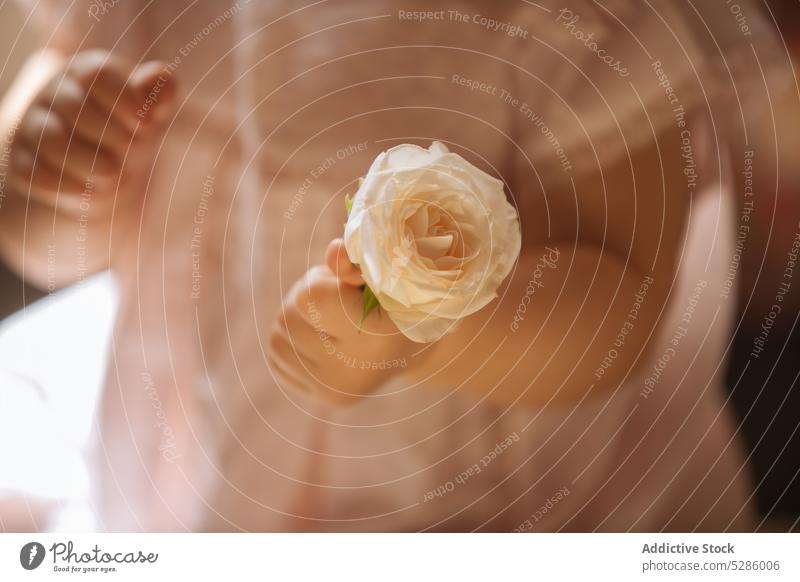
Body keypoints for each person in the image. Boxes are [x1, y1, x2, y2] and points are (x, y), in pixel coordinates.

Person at [0, 1, 786, 531]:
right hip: (191, 452)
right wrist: (47, 162)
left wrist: (428, 336)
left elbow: (619, 299)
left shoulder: (577, 26)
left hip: (477, 503)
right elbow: (53, 247)